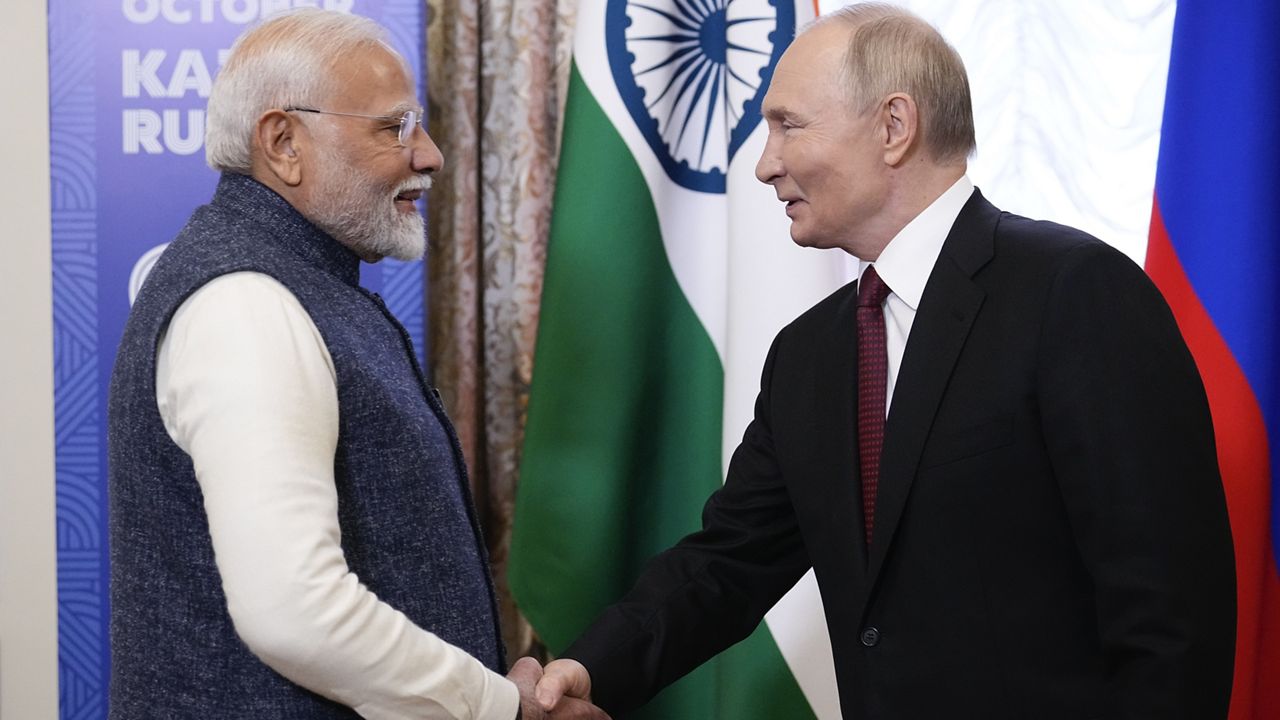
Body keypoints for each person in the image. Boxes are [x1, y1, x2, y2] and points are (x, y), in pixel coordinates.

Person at [535, 4, 1236, 719]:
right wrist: (596, 668)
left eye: (787, 125)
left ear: (894, 127)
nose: (764, 164)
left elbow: (1171, 616)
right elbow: (728, 561)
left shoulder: (1076, 293)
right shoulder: (807, 355)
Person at [107, 9, 605, 719]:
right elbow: (293, 608)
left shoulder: (293, 284)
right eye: (394, 128)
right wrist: (500, 707)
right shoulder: (244, 304)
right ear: (283, 143)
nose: (430, 155)